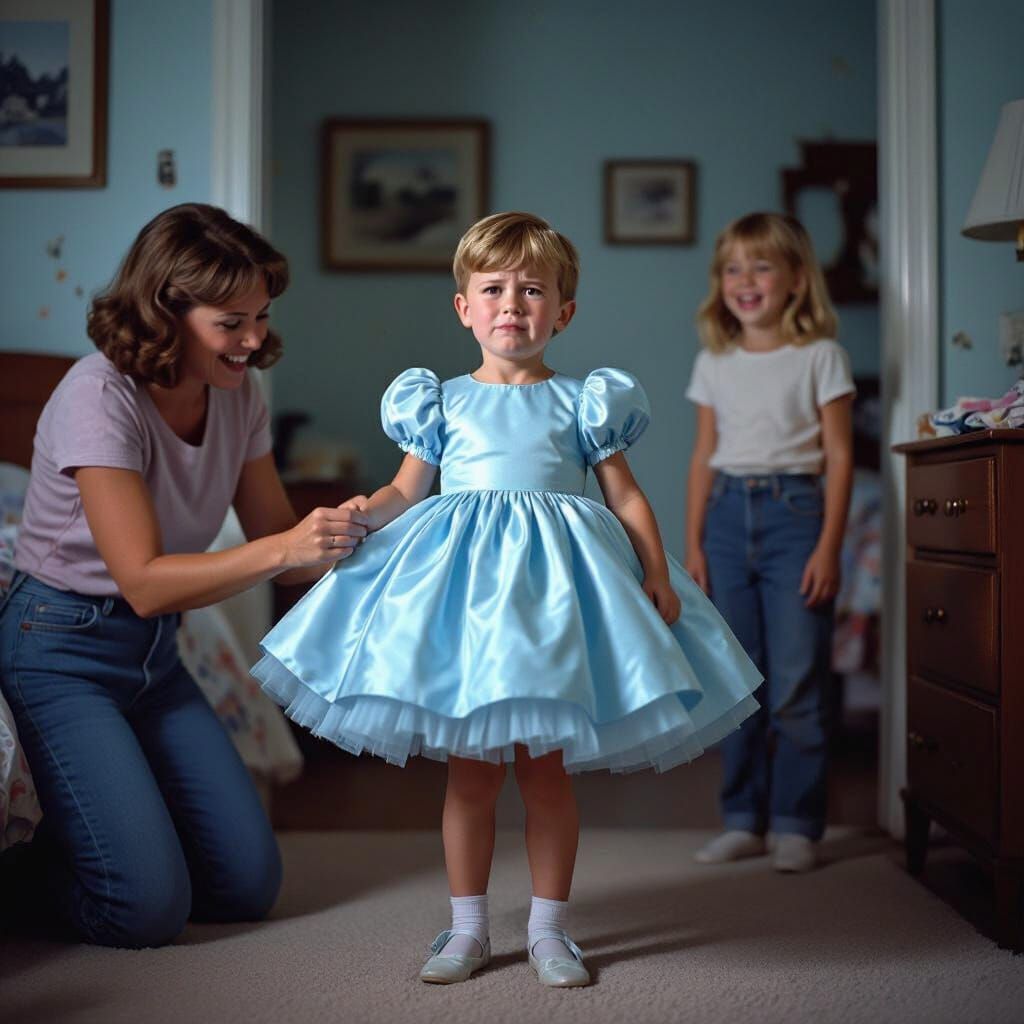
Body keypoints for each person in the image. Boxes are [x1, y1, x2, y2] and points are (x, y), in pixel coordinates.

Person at [252, 211, 762, 987]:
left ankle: (550, 930)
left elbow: (625, 498)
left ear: (564, 311)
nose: (512, 305)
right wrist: (365, 512)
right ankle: (467, 929)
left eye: (532, 290)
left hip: (553, 608)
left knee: (546, 775)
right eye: (493, 289)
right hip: (467, 611)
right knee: (471, 777)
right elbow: (405, 490)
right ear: (464, 308)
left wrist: (655, 573)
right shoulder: (441, 401)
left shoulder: (584, 402)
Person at [0, 203, 369, 948]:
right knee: (144, 911)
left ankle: (114, 841)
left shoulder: (238, 394)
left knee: (246, 887)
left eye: (261, 317)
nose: (254, 340)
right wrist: (289, 548)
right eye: (231, 323)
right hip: (60, 651)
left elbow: (279, 542)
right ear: (166, 313)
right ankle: (23, 877)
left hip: (155, 658)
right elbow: (143, 581)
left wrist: (381, 532)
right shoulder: (97, 395)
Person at [685, 212, 854, 874]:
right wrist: (695, 544)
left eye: (761, 266)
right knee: (738, 682)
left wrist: (829, 547)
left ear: (795, 280)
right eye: (733, 268)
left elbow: (840, 456)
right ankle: (743, 821)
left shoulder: (821, 357)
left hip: (797, 516)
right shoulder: (714, 362)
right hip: (727, 518)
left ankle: (797, 824)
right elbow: (703, 456)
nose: (745, 280)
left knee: (796, 683)